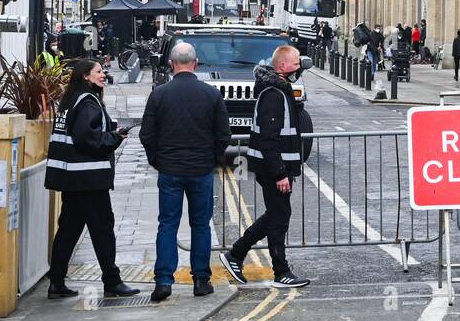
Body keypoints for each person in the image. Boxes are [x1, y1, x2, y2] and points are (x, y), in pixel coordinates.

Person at [140, 42, 233, 303]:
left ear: (171, 64)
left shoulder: (159, 94)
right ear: (195, 63)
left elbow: (147, 134)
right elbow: (223, 135)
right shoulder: (211, 94)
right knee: (200, 225)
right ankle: (201, 281)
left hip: (169, 168)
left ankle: (163, 281)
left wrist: (157, 160)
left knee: (167, 225)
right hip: (201, 169)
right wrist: (212, 158)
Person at [45, 60, 140, 299]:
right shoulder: (88, 101)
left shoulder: (70, 100)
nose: (102, 74)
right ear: (86, 76)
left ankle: (56, 282)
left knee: (68, 230)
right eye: (98, 72)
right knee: (103, 230)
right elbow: (88, 139)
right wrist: (114, 138)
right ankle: (112, 281)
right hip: (89, 180)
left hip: (72, 178)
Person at [220, 45, 311, 288]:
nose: (299, 66)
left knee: (277, 215)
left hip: (278, 168)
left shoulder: (280, 90)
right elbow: (269, 138)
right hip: (273, 169)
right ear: (282, 67)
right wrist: (280, 172)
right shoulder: (273, 94)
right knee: (279, 218)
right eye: (295, 63)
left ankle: (236, 255)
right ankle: (279, 271)